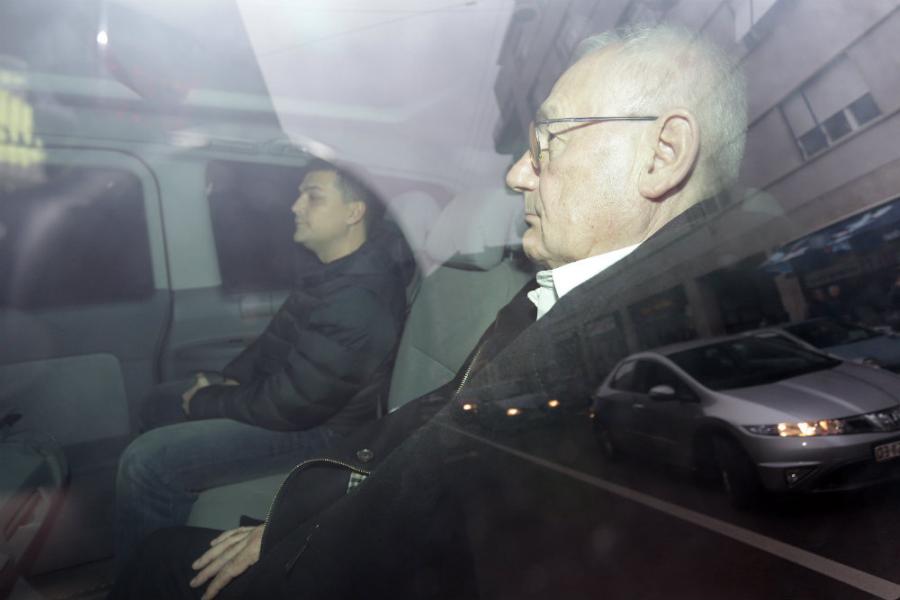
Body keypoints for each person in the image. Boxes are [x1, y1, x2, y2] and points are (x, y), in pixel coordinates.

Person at [111, 23, 747, 600]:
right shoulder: (560, 302)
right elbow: (439, 425)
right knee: (161, 552)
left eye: (548, 140)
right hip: (363, 533)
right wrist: (290, 521)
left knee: (159, 555)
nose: (517, 175)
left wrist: (293, 532)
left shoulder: (641, 352)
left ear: (662, 156)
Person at [113, 160, 415, 568]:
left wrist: (206, 401)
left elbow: (294, 405)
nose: (295, 205)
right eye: (299, 194)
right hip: (299, 408)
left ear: (353, 212)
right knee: (159, 402)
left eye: (312, 196)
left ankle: (146, 577)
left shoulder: (360, 298)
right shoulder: (332, 273)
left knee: (146, 462)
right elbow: (271, 346)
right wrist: (227, 381)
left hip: (324, 434)